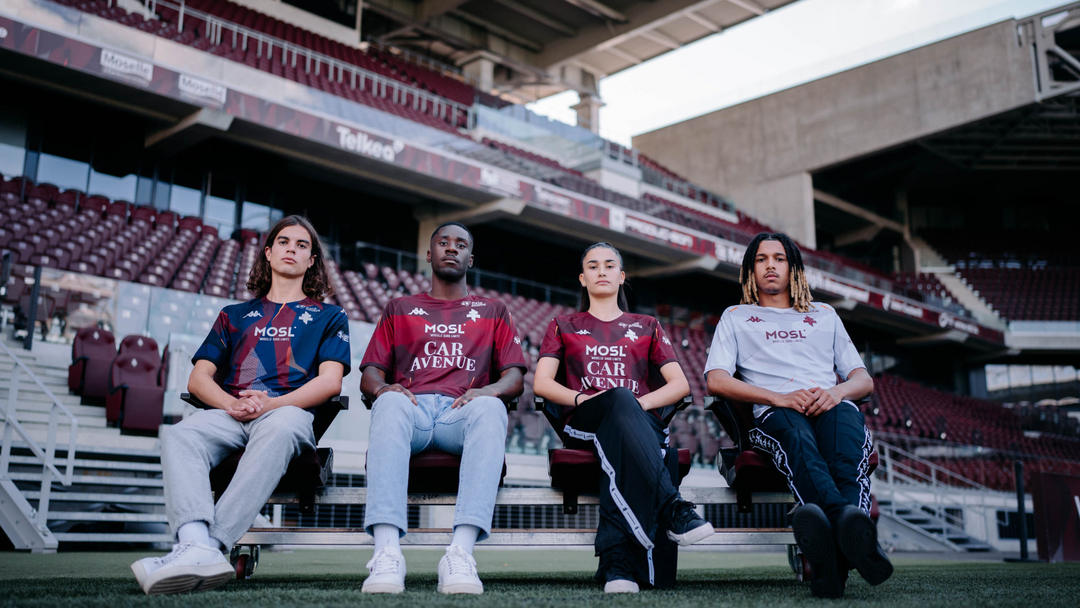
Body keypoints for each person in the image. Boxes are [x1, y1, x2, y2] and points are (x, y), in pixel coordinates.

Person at [131, 216, 351, 595]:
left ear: (311, 260)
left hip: (288, 413)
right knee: (180, 435)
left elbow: (331, 381)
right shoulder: (233, 315)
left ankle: (214, 545)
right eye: (283, 242)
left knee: (281, 425)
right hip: (232, 412)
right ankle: (193, 542)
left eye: (302, 245)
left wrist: (271, 405)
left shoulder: (330, 316)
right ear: (268, 252)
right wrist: (232, 404)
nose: (291, 250)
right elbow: (198, 380)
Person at [704, 232, 892, 598]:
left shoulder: (825, 314)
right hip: (776, 412)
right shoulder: (737, 316)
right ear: (750, 270)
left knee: (845, 453)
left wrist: (836, 392)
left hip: (832, 404)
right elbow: (716, 380)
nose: (770, 265)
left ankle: (830, 567)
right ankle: (853, 531)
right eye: (761, 259)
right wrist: (779, 397)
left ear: (794, 268)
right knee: (799, 442)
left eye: (779, 258)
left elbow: (863, 380)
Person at [532, 242, 714, 594]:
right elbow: (541, 383)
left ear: (622, 276)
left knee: (621, 412)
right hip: (584, 422)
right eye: (594, 266)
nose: (602, 271)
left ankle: (618, 567)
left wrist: (632, 407)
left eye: (610, 265)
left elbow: (679, 385)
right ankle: (673, 507)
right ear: (583, 279)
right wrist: (584, 398)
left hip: (635, 422)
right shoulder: (562, 324)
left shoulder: (647, 325)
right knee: (617, 399)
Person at [359, 221, 525, 595]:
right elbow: (370, 375)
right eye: (443, 243)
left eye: (461, 244)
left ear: (470, 258)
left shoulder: (493, 309)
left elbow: (514, 378)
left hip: (459, 414)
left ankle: (460, 553)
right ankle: (387, 553)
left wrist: (488, 391)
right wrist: (387, 388)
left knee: (492, 407)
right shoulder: (399, 306)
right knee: (387, 401)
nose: (452, 248)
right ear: (429, 253)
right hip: (412, 410)